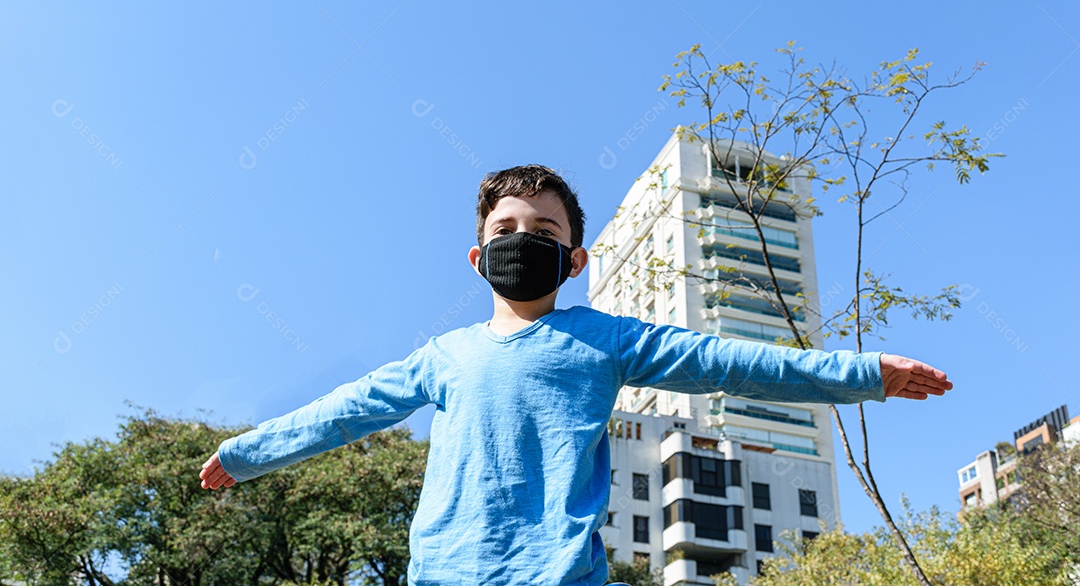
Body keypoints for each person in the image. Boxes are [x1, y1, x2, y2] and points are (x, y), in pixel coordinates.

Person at [199, 164, 952, 585]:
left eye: (544, 230)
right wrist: (245, 453)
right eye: (506, 230)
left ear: (574, 258)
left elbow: (727, 361)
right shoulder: (444, 356)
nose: (523, 238)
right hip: (444, 574)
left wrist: (862, 373)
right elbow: (346, 410)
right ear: (479, 257)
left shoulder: (607, 339)